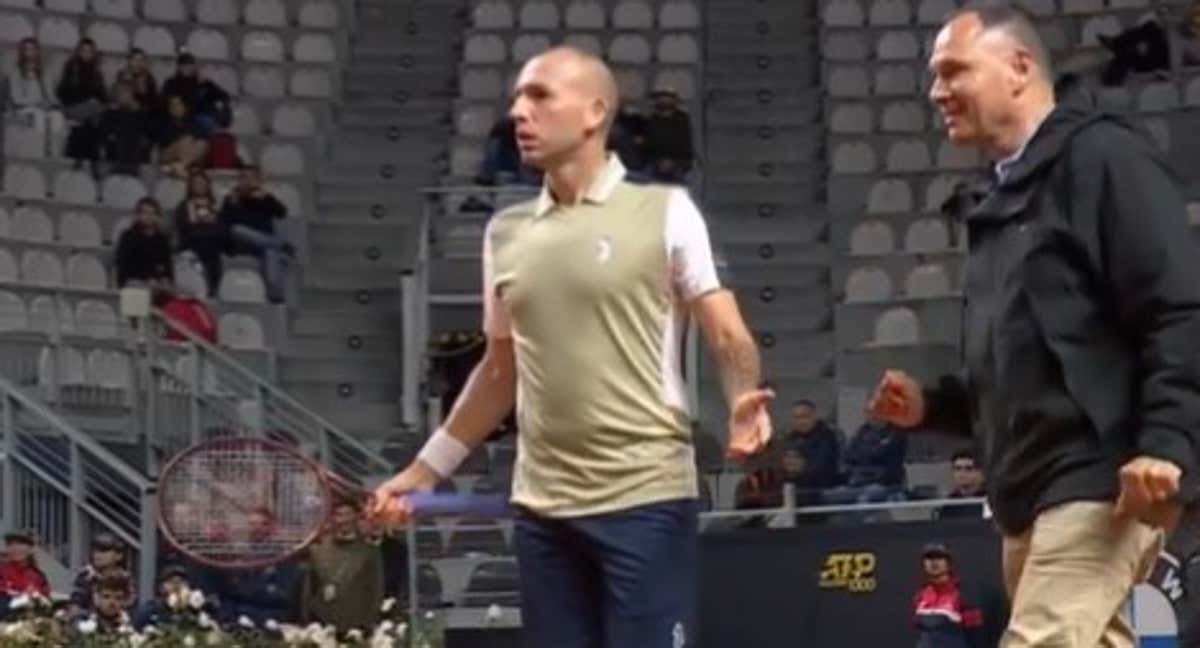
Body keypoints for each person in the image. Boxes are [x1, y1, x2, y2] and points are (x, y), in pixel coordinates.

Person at [372, 46, 772, 648]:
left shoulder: (665, 210)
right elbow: (499, 369)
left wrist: (743, 397)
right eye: (515, 99)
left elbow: (725, 329)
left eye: (538, 96)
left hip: (646, 499)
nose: (517, 113)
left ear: (593, 112)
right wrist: (424, 470)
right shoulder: (504, 233)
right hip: (542, 511)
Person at [868, 7, 1200, 647]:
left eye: (953, 71)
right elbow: (1038, 362)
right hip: (1028, 495)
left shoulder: (1104, 156)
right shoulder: (999, 199)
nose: (937, 91)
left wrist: (1165, 441)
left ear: (1019, 68)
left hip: (1102, 478)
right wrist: (933, 406)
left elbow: (1179, 306)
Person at [300, 499, 383, 634]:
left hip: (356, 625)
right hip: (322, 625)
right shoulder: (317, 550)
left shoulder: (369, 551)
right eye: (338, 514)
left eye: (347, 514)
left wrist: (368, 624)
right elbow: (308, 589)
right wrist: (307, 620)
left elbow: (375, 589)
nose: (343, 520)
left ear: (356, 517)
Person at [218, 164, 293, 303]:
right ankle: (281, 245)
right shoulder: (231, 199)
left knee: (271, 252)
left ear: (258, 180)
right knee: (237, 229)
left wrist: (267, 198)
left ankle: (276, 297)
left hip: (263, 245)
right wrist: (234, 205)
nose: (247, 181)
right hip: (241, 244)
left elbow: (282, 212)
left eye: (251, 178)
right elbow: (225, 225)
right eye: (244, 178)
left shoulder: (264, 199)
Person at [913, 543, 983, 648]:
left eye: (939, 558)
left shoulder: (963, 594)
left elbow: (977, 636)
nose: (934, 562)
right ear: (923, 564)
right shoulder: (920, 596)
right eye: (929, 558)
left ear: (949, 563)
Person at [55, 38, 107, 169]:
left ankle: (79, 157)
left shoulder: (97, 72)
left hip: (90, 112)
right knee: (94, 114)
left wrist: (96, 101)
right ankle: (93, 159)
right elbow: (63, 93)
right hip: (72, 108)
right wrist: (87, 101)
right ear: (78, 52)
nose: (87, 54)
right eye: (84, 51)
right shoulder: (71, 68)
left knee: (89, 124)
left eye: (90, 51)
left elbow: (103, 96)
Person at [174, 170, 228, 294]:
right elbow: (185, 228)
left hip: (212, 247)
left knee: (212, 247)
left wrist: (202, 224)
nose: (200, 186)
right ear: (190, 186)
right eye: (196, 183)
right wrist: (206, 224)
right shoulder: (183, 206)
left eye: (202, 183)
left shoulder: (215, 206)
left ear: (208, 185)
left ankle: (213, 291)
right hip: (191, 245)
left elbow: (222, 229)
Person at [3, 38, 55, 161]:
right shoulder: (16, 72)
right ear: (22, 52)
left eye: (33, 49)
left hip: (43, 107)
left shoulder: (44, 73)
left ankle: (49, 155)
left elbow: (50, 95)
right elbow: (17, 99)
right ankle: (39, 155)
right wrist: (37, 102)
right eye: (27, 49)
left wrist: (51, 103)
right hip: (23, 108)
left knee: (56, 117)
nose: (30, 53)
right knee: (39, 116)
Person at [782, 399, 843, 503]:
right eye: (796, 417)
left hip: (819, 491)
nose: (801, 421)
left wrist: (800, 467)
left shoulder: (827, 437)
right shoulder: (790, 439)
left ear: (814, 416)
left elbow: (821, 467)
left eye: (805, 416)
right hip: (791, 490)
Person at [160, 53, 230, 136]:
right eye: (184, 65)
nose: (187, 68)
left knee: (207, 122)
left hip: (199, 117)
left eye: (189, 65)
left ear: (193, 66)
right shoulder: (171, 82)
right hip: (179, 118)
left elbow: (224, 96)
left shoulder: (203, 82)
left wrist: (219, 104)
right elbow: (166, 100)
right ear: (179, 67)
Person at [115, 197, 173, 288]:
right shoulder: (128, 237)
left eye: (152, 213)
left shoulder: (162, 239)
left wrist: (164, 279)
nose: (149, 217)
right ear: (138, 215)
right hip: (134, 282)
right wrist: (147, 279)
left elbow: (167, 265)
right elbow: (124, 266)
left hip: (157, 283)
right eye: (145, 213)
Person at [100, 80, 153, 176]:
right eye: (120, 92)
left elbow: (148, 137)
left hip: (136, 159)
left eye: (126, 92)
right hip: (114, 157)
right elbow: (105, 136)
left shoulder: (141, 114)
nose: (122, 95)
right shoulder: (109, 113)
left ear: (132, 94)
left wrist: (135, 112)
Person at [642, 88, 694, 184]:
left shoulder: (684, 120)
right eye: (661, 99)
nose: (663, 101)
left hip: (680, 164)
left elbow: (689, 147)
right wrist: (658, 161)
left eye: (667, 98)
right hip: (656, 164)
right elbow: (648, 147)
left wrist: (675, 162)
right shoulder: (652, 120)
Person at [69, 533, 128, 614]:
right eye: (95, 550)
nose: (97, 555)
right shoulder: (86, 575)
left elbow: (128, 605)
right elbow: (76, 602)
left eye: (104, 550)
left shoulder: (125, 578)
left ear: (119, 556)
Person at [157, 94, 208, 177]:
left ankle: (182, 166)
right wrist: (179, 144)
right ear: (169, 109)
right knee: (185, 141)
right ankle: (182, 167)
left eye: (178, 104)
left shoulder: (193, 123)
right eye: (172, 105)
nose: (175, 108)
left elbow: (202, 142)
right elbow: (163, 153)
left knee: (200, 142)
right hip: (171, 157)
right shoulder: (165, 126)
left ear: (184, 107)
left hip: (188, 158)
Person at [70, 571, 132, 640]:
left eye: (118, 598)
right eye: (106, 597)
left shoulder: (126, 625)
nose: (112, 602)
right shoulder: (83, 620)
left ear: (124, 600)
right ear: (97, 597)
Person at [132, 564, 190, 630]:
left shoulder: (192, 611)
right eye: (171, 582)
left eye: (181, 582)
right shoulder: (149, 610)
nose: (176, 586)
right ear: (161, 587)